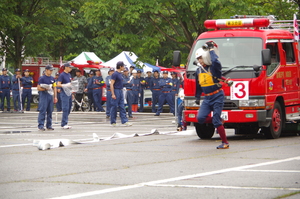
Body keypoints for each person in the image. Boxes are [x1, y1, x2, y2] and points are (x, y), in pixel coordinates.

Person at [195, 41, 229, 149]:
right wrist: (197, 96)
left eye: (201, 58)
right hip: (207, 97)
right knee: (200, 118)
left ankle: (225, 142)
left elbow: (215, 60)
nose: (199, 60)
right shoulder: (199, 70)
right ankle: (219, 121)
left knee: (215, 120)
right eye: (198, 58)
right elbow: (198, 85)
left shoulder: (214, 68)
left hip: (217, 95)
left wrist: (211, 50)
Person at [110, 61, 132, 127]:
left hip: (120, 90)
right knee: (114, 106)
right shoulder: (115, 74)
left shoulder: (120, 74)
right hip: (116, 90)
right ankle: (113, 121)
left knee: (122, 106)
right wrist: (113, 93)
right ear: (120, 67)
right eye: (123, 66)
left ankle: (124, 121)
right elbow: (111, 84)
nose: (124, 68)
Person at [37, 65, 57, 131]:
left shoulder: (52, 78)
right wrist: (45, 89)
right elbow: (38, 88)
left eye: (52, 70)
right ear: (46, 70)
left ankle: (49, 125)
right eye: (50, 70)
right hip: (44, 95)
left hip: (50, 95)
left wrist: (55, 97)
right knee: (43, 110)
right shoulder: (42, 78)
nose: (51, 72)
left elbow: (54, 87)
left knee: (50, 111)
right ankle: (41, 125)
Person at [57, 63, 73, 129]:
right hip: (64, 93)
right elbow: (58, 84)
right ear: (66, 67)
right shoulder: (62, 75)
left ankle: (65, 121)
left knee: (69, 108)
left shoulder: (69, 74)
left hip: (69, 92)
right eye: (69, 67)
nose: (70, 69)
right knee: (65, 108)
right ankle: (64, 123)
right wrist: (65, 85)